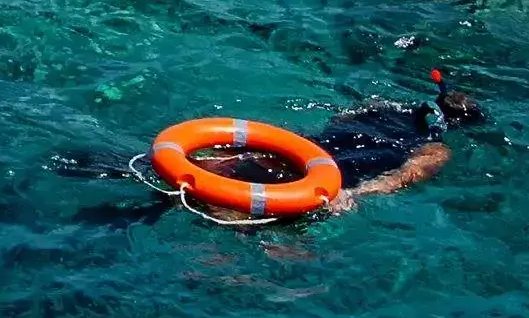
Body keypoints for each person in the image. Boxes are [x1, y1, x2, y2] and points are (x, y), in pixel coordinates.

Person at [54, 75, 486, 215]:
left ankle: (114, 173)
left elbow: (336, 121)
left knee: (222, 168)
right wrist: (354, 194)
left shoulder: (377, 107)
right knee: (226, 206)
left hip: (297, 151)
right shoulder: (437, 149)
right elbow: (402, 177)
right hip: (326, 180)